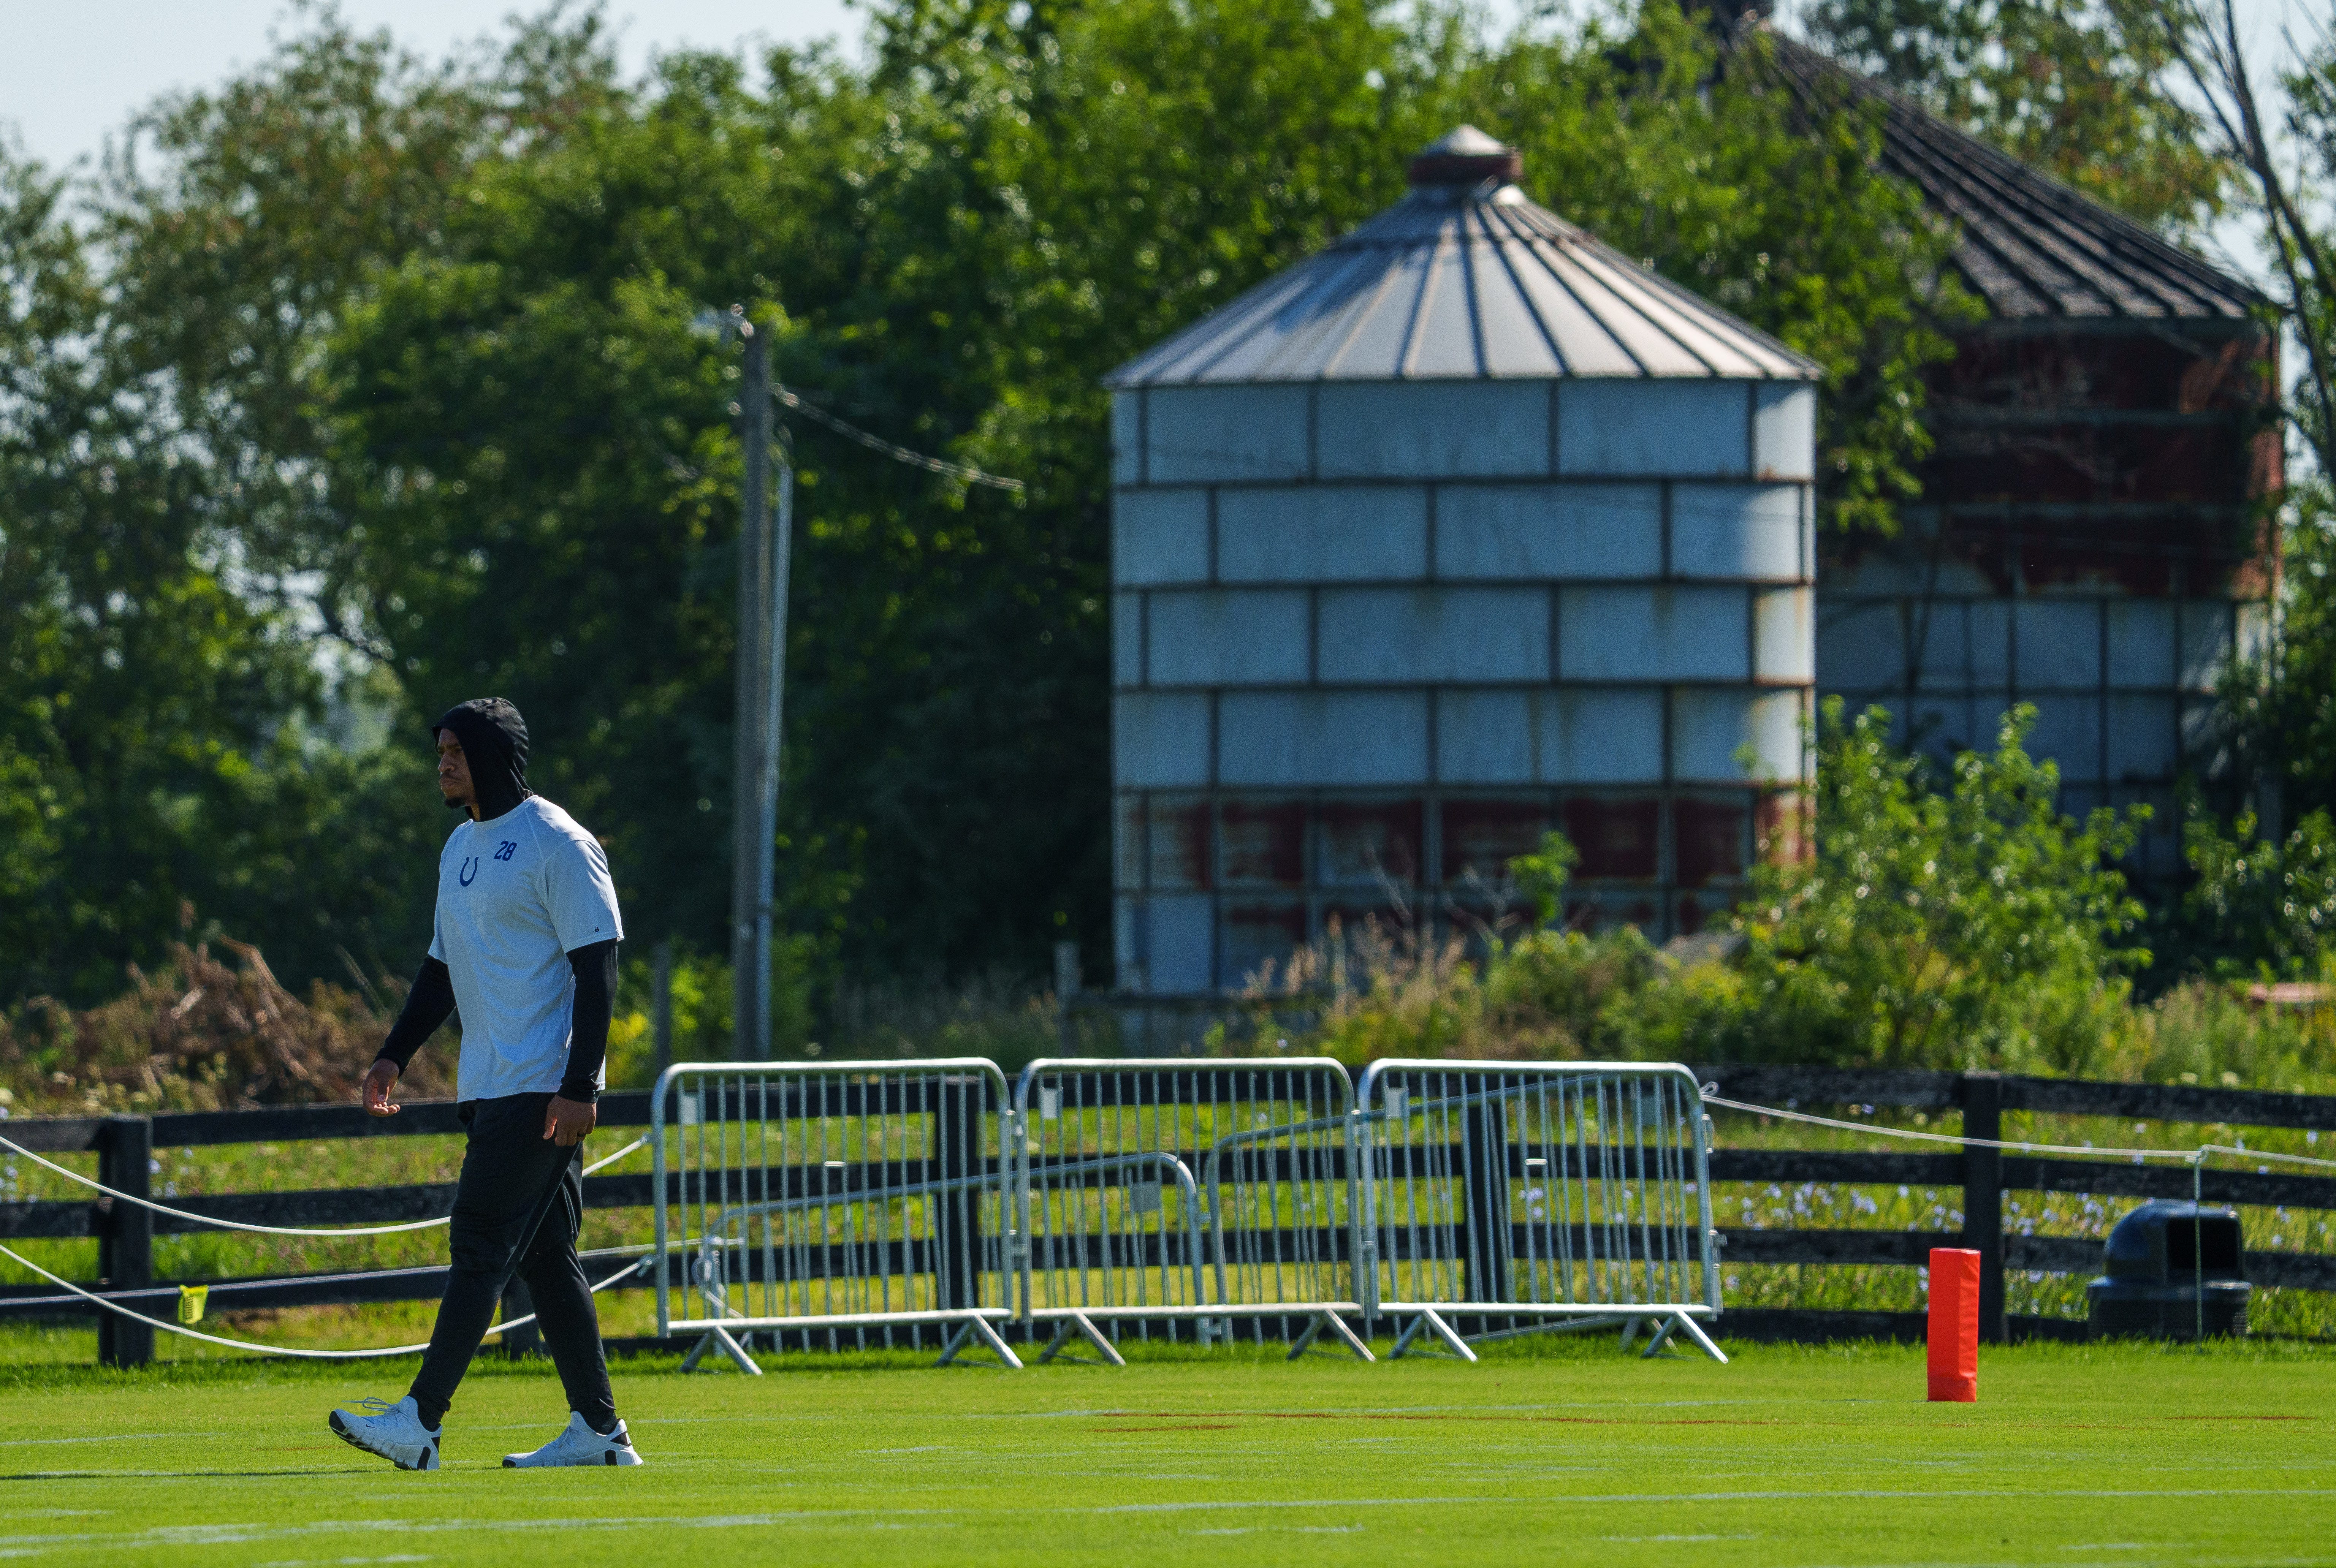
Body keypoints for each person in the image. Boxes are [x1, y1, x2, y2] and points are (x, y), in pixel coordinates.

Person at [327, 697, 643, 1471]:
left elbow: (597, 968)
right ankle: (599, 1432)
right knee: (545, 1260)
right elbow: (441, 968)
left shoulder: (558, 843)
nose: (442, 764)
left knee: (478, 1241)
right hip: (493, 1083)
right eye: (439, 751)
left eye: (455, 751)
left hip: (542, 1088)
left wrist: (581, 1088)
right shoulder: (459, 847)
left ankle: (420, 1420)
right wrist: (392, 1053)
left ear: (493, 756)